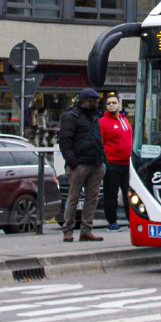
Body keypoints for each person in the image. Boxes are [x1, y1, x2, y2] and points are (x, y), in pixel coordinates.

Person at [58, 88, 106, 243]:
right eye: (96, 100)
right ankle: (68, 231)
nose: (98, 103)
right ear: (88, 100)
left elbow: (97, 137)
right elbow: (64, 141)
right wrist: (73, 163)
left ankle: (86, 231)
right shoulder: (71, 116)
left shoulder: (93, 116)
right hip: (80, 164)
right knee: (73, 198)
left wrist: (102, 159)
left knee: (92, 199)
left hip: (95, 162)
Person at [99, 95, 132, 232]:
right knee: (111, 194)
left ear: (119, 104)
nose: (111, 105)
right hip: (112, 163)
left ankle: (132, 220)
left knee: (129, 194)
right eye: (108, 103)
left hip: (127, 163)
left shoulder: (124, 120)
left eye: (114, 103)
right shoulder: (103, 122)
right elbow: (100, 142)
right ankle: (112, 221)